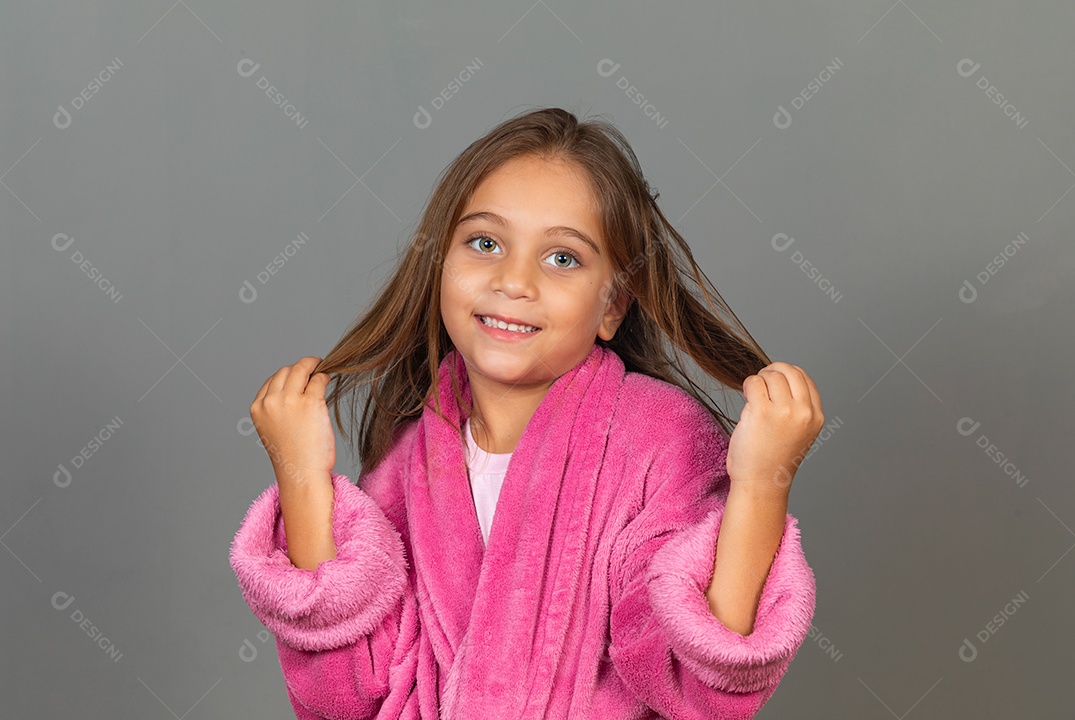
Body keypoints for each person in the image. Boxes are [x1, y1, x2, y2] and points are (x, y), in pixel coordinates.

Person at [230, 106, 824, 719]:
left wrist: (759, 485)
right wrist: (301, 478)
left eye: (562, 258)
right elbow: (343, 696)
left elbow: (699, 683)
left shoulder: (659, 440)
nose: (514, 281)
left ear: (613, 306)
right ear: (441, 263)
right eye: (485, 243)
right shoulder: (409, 456)